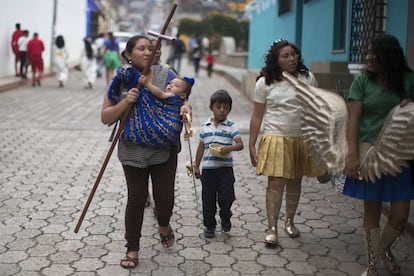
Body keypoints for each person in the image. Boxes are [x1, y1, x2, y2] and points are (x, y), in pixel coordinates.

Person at [101, 35, 191, 269]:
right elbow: (105, 117)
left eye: (150, 48)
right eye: (141, 49)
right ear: (129, 55)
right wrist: (125, 102)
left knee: (164, 200)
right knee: (136, 199)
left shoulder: (166, 75)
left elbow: (182, 98)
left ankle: (163, 224)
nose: (147, 52)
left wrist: (186, 107)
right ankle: (132, 248)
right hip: (132, 149)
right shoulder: (121, 79)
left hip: (164, 149)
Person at [342, 34, 414, 276]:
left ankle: (383, 250)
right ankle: (372, 265)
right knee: (371, 210)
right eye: (368, 52)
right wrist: (352, 155)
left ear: (389, 56)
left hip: (399, 156)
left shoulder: (408, 80)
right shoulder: (362, 81)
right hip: (369, 154)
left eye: (375, 52)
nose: (368, 57)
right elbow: (353, 120)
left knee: (401, 214)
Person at [249, 39, 323, 247]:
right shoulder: (265, 83)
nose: (291, 59)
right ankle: (271, 228)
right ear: (276, 60)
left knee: (295, 181)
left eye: (293, 54)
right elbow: (256, 116)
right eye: (285, 56)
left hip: (301, 138)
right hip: (276, 137)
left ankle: (289, 221)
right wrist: (251, 144)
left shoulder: (308, 78)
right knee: (275, 183)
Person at [193, 89, 244, 238]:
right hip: (208, 171)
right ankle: (209, 226)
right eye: (218, 107)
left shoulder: (231, 127)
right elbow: (201, 147)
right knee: (208, 199)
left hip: (225, 170)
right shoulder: (204, 127)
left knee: (226, 197)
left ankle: (225, 215)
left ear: (229, 109)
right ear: (211, 108)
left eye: (226, 108)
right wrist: (196, 165)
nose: (222, 111)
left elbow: (240, 144)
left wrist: (229, 148)